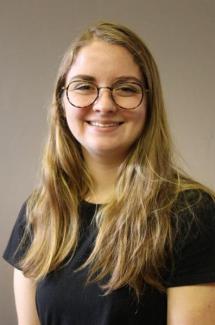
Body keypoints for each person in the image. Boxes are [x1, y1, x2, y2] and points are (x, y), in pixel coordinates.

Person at [3, 21, 215, 325]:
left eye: (126, 88)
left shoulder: (191, 213)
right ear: (61, 101)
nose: (104, 105)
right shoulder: (39, 211)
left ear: (150, 103)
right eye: (84, 86)